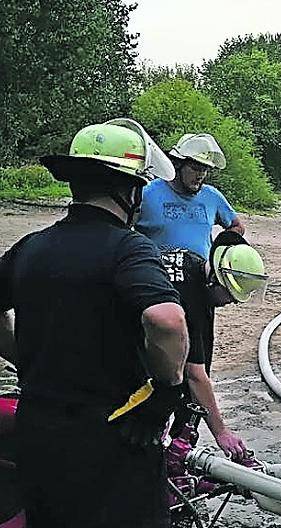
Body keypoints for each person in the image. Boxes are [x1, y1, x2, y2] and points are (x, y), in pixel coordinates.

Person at [0, 119, 189, 527]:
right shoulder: (129, 249)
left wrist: (25, 357)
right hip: (114, 435)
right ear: (131, 191)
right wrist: (165, 394)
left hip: (38, 433)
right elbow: (167, 320)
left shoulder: (30, 247)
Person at [136, 133, 249, 460]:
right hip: (155, 290)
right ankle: (150, 431)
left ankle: (184, 438)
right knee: (156, 363)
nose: (200, 174)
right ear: (178, 163)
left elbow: (235, 226)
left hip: (197, 292)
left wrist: (221, 254)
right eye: (195, 167)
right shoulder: (148, 193)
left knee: (198, 364)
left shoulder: (212, 197)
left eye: (205, 169)